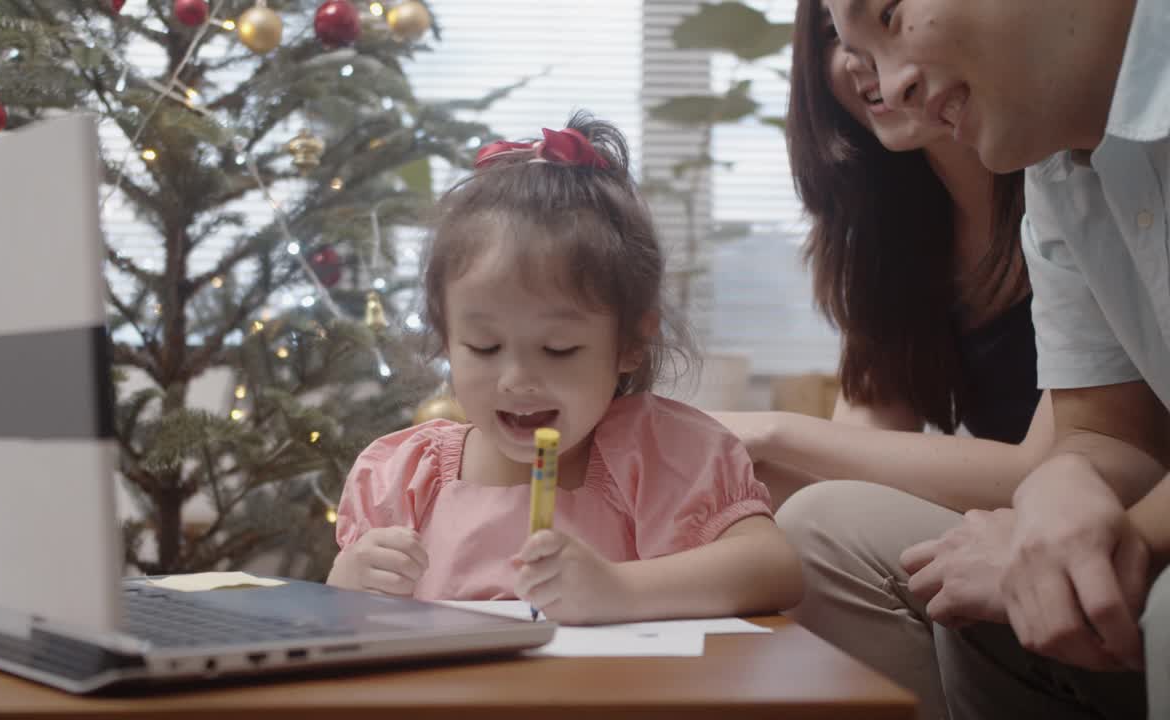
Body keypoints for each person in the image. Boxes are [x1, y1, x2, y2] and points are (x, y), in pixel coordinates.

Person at [821, 0, 1170, 717]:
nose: (891, 86)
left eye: (889, 14)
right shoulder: (1052, 165)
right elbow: (1109, 431)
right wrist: (1061, 486)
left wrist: (1116, 532)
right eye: (858, 52)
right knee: (891, 553)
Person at [326, 113, 804, 625]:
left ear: (630, 343)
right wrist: (350, 581)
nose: (516, 379)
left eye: (557, 349)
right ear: (446, 339)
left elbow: (774, 570)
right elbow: (339, 614)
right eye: (484, 347)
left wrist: (621, 589)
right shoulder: (402, 477)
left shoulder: (666, 457)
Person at [712, 1, 1042, 716]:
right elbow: (861, 448)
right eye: (834, 35)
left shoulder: (1058, 175)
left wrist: (770, 433)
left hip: (1108, 505)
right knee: (802, 518)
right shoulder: (891, 229)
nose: (864, 60)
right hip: (1003, 519)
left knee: (817, 519)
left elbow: (1062, 461)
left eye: (888, 15)